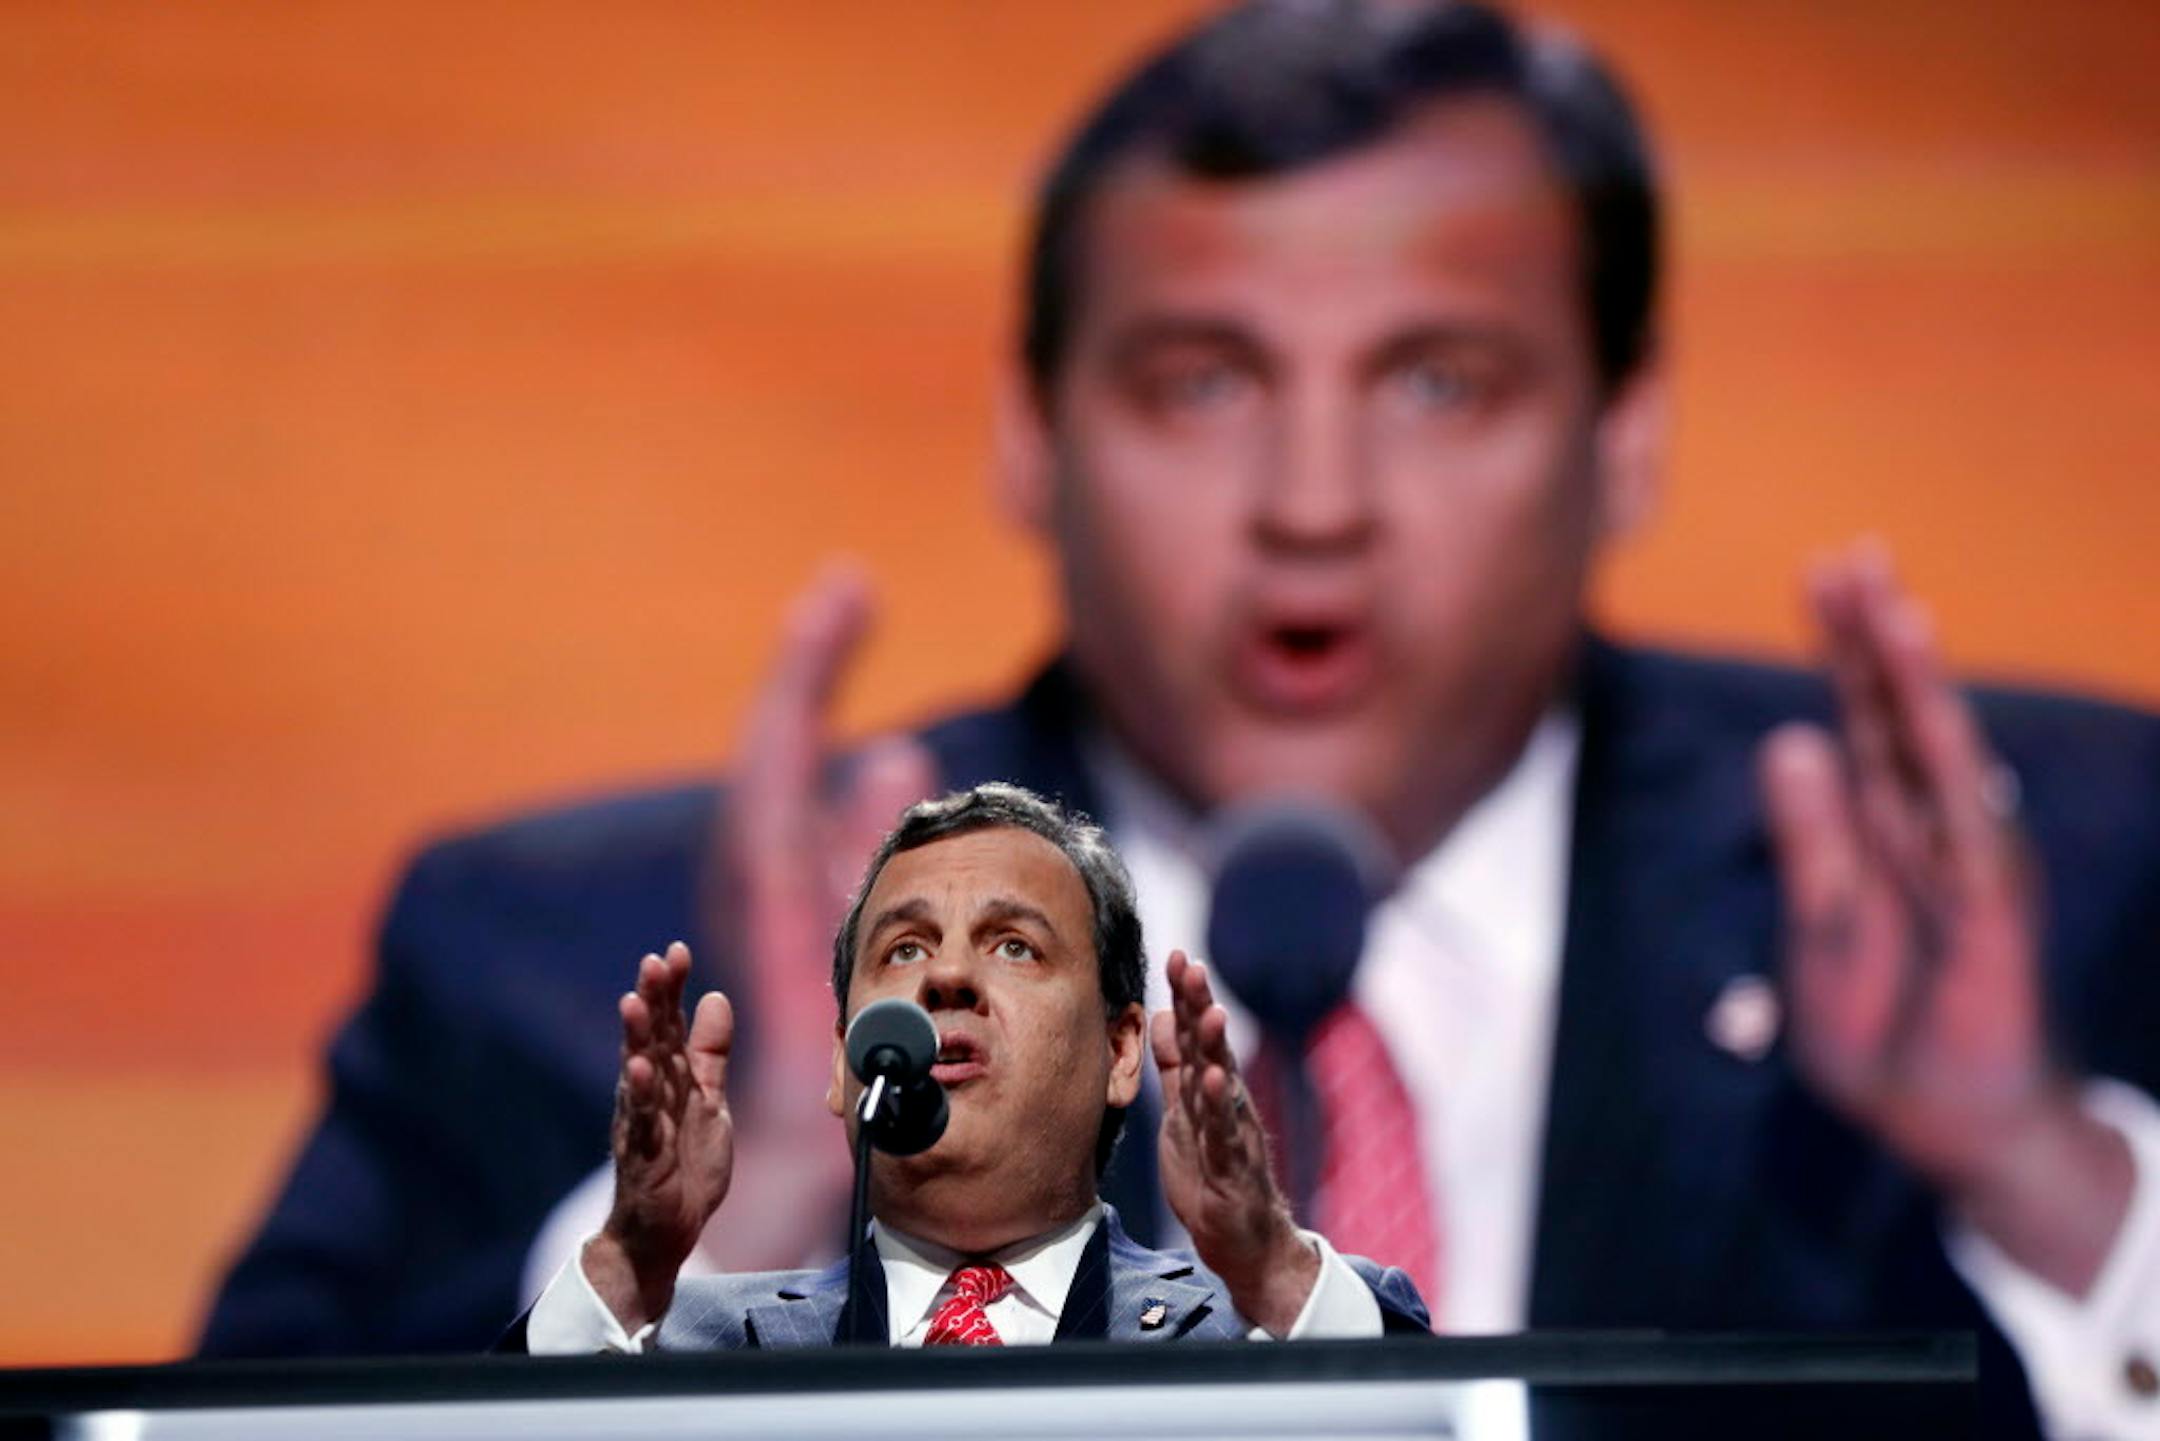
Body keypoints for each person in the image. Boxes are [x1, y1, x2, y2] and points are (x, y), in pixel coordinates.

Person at [202, 3, 2160, 1435]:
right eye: (1206, 385)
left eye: (1441, 384)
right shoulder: (588, 985)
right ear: (1032, 440)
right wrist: (742, 1220)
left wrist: (2042, 1172)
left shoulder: (2060, 889)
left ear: (1623, 436)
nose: (1314, 502)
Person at [508, 783, 1428, 1352]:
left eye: (1015, 946)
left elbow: (1427, 1412)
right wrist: (630, 1262)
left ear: (1119, 1051)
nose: (947, 974)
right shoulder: (705, 1348)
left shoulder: (1255, 1331)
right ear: (842, 1064)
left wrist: (1267, 1267)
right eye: (905, 950)